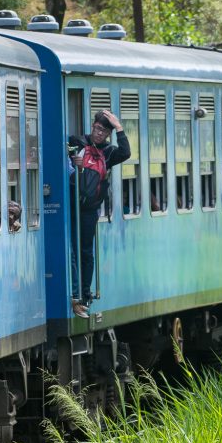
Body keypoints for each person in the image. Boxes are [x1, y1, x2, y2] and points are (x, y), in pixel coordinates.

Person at [69, 110, 131, 318]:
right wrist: (74, 161)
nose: (98, 133)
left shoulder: (110, 153)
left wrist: (119, 128)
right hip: (71, 205)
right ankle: (74, 291)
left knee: (86, 251)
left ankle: (85, 293)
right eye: (96, 128)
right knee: (72, 249)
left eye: (103, 131)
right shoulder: (78, 142)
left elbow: (126, 152)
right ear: (93, 125)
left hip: (89, 210)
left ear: (108, 134)